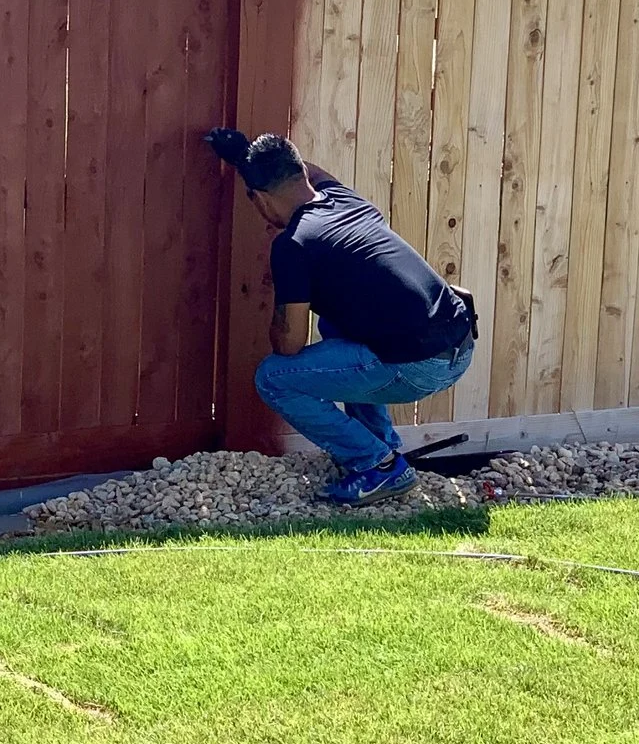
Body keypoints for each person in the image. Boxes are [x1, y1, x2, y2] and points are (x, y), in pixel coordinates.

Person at [204, 127, 478, 505]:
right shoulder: (343, 199)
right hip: (459, 346)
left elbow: (289, 344)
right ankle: (383, 447)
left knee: (273, 379)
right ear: (298, 172)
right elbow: (314, 172)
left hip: (419, 366)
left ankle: (377, 466)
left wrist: (283, 307)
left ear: (260, 199)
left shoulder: (294, 245)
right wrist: (246, 156)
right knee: (336, 325)